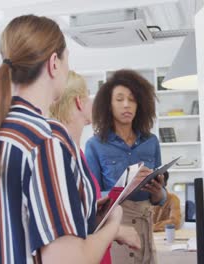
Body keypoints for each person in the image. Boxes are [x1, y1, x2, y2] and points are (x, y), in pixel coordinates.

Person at [0, 15, 139, 264]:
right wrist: (113, 224)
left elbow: (24, 221)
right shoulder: (46, 140)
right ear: (54, 63)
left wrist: (84, 210)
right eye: (67, 59)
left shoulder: (1, 133)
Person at [49, 70, 140, 264]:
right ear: (79, 102)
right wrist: (116, 225)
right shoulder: (59, 156)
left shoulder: (77, 153)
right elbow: (69, 241)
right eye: (88, 95)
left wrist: (93, 211)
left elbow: (77, 220)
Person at [85, 69, 167, 264]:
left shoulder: (151, 141)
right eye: (119, 99)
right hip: (116, 231)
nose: (126, 105)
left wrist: (158, 193)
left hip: (146, 227)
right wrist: (125, 188)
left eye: (132, 99)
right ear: (108, 105)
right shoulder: (95, 145)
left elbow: (161, 195)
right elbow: (93, 198)